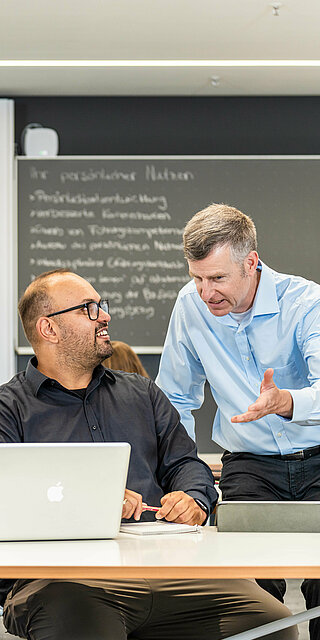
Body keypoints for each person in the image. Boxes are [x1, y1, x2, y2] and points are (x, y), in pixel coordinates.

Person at [0, 269, 296, 640]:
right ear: (49, 329)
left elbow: (186, 464)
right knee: (81, 625)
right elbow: (8, 503)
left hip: (171, 568)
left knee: (271, 623)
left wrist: (194, 499)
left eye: (101, 306)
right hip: (64, 579)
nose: (105, 316)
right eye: (88, 309)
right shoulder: (7, 409)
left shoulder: (142, 394)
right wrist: (90, 503)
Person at [156, 202, 320, 639]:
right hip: (250, 462)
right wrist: (182, 474)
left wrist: (286, 402)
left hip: (319, 455)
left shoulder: (306, 302)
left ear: (251, 263)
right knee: (247, 588)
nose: (205, 292)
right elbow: (174, 397)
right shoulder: (189, 307)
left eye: (217, 278)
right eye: (196, 276)